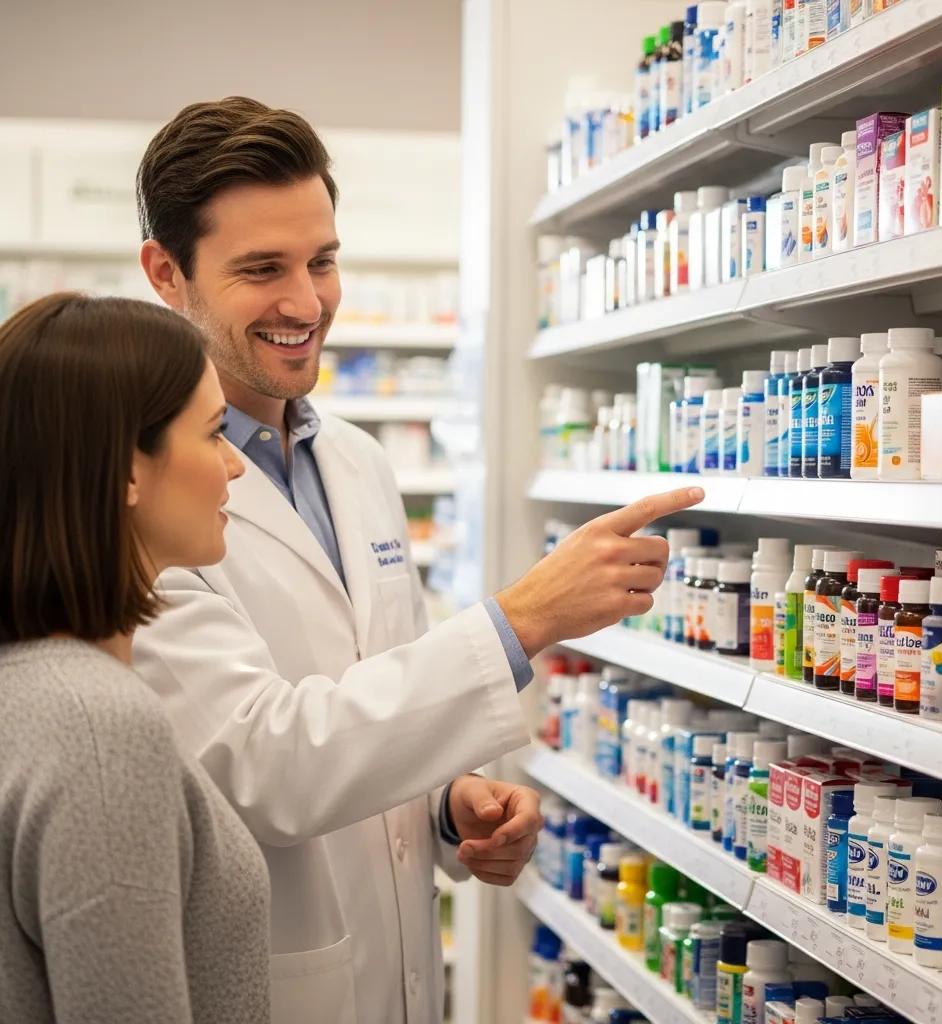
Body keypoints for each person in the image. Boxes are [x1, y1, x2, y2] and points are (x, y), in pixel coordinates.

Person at [133, 96, 704, 1024]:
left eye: (322, 261)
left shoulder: (357, 461)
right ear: (168, 273)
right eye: (261, 270)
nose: (306, 303)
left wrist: (446, 805)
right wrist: (524, 619)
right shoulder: (141, 492)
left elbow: (372, 685)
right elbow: (259, 762)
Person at [0, 293, 270, 1024]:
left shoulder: (29, 685)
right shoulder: (99, 731)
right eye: (214, 434)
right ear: (126, 468)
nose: (235, 468)